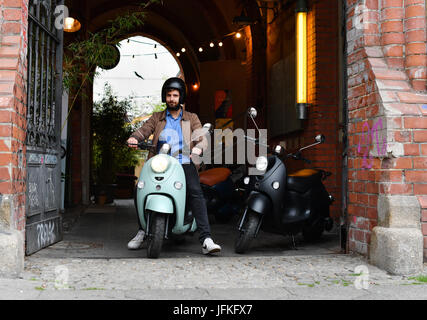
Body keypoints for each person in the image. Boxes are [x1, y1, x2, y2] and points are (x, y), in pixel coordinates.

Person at [126, 77, 221, 255]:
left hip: (184, 162)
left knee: (195, 193)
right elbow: (144, 130)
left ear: (181, 97)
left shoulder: (191, 118)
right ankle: (142, 230)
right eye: (169, 95)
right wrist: (135, 137)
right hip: (159, 162)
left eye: (175, 95)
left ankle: (206, 239)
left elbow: (201, 137)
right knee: (140, 189)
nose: (171, 98)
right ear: (165, 97)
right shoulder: (157, 117)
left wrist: (199, 148)